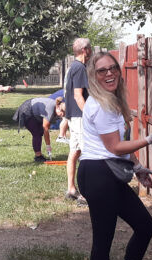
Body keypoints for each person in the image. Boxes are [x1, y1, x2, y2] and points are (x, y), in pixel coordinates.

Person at [77, 52, 152, 260]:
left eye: (113, 68)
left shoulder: (110, 101)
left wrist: (138, 167)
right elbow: (114, 146)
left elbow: (119, 146)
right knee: (103, 240)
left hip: (105, 174)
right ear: (94, 76)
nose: (109, 73)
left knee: (144, 226)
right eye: (102, 70)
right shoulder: (102, 105)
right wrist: (150, 139)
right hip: (99, 176)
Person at [64, 38, 92, 204]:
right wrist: (90, 115)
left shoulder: (72, 67)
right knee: (86, 155)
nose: (91, 51)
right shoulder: (80, 68)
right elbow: (78, 95)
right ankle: (85, 194)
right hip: (80, 117)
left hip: (73, 116)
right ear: (84, 50)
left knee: (74, 152)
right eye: (89, 48)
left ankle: (71, 189)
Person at [12, 96, 66, 162]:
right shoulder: (50, 108)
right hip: (27, 110)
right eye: (62, 112)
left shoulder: (57, 108)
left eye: (64, 113)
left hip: (35, 113)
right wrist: (48, 146)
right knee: (37, 133)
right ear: (58, 107)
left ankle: (38, 155)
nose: (62, 114)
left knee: (39, 132)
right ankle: (38, 157)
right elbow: (45, 129)